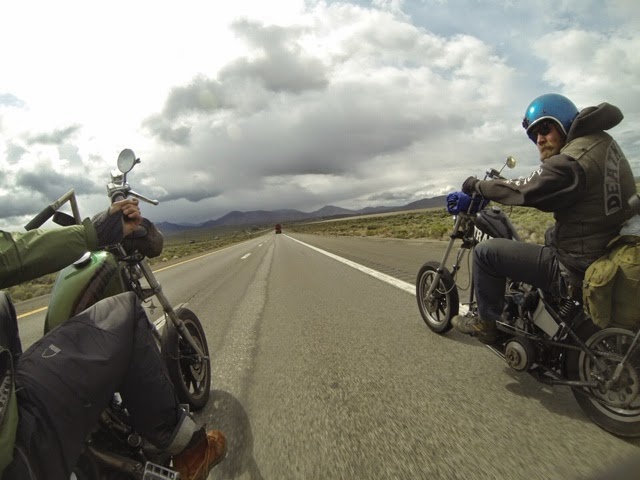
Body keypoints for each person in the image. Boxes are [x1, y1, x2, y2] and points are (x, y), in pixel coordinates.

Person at [0, 198, 226, 480]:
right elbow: (12, 253)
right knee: (125, 314)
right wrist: (97, 231)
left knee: (3, 304)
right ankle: (190, 452)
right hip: (12, 445)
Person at [451, 93, 637, 341]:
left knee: (486, 253)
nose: (539, 139)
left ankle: (485, 324)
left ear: (563, 122)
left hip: (576, 265)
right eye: (534, 136)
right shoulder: (601, 142)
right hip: (608, 247)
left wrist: (478, 185)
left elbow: (526, 189)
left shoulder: (572, 161)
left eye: (545, 129)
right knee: (549, 235)